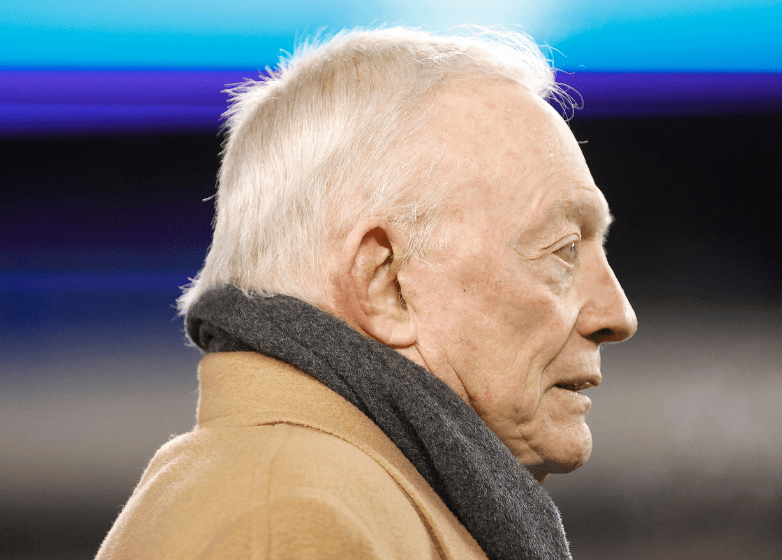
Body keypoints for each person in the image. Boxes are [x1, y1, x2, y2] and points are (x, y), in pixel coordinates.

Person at [96, 27, 636, 560]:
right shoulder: (293, 520)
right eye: (564, 250)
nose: (618, 315)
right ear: (387, 284)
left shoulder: (300, 494)